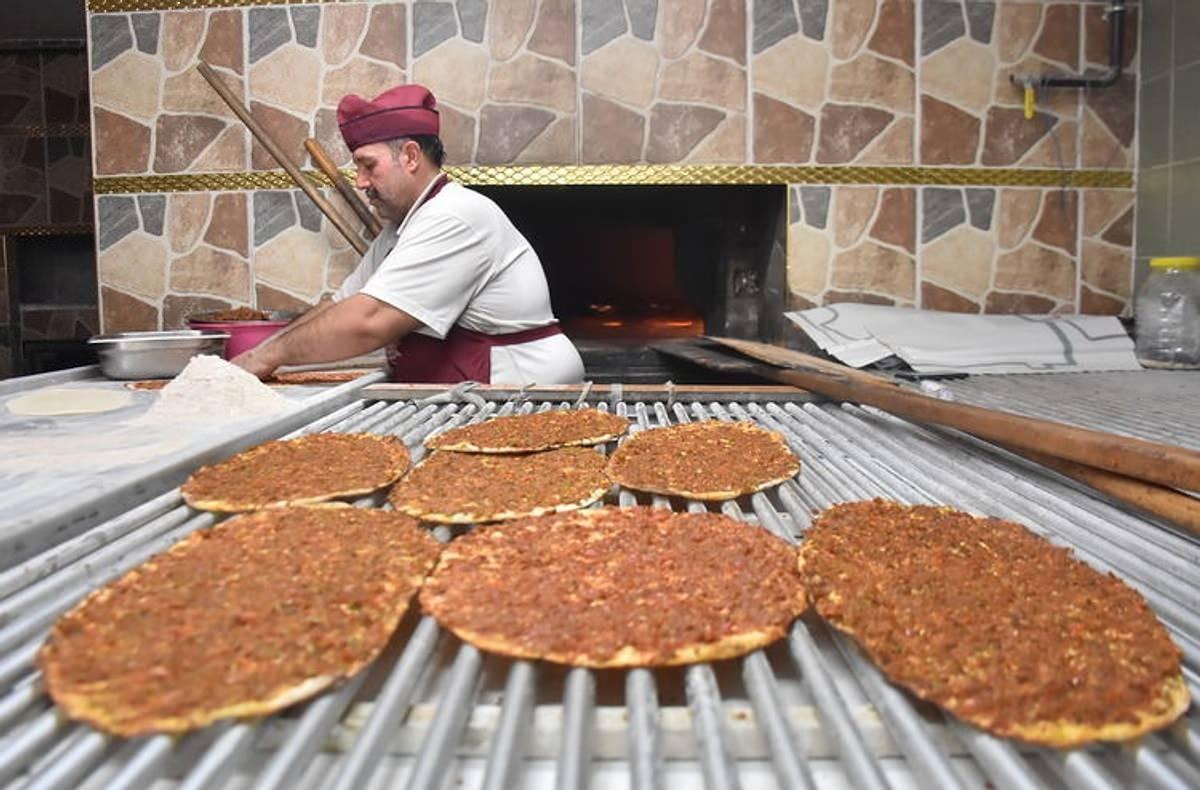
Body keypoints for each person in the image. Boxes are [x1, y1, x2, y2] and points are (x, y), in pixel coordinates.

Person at [231, 84, 584, 385]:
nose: (360, 182)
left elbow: (369, 322)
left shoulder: (455, 215)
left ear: (411, 156)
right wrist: (261, 354)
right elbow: (338, 306)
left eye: (368, 165)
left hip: (525, 396)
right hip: (472, 394)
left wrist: (270, 355)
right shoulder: (401, 228)